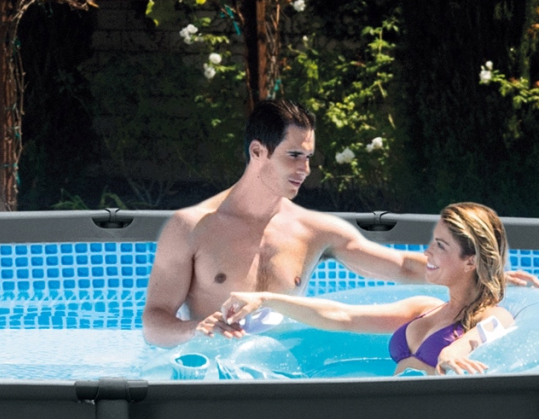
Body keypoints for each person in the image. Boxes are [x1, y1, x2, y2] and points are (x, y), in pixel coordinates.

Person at [143, 99, 473, 345]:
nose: (305, 169)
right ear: (257, 152)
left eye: (308, 157)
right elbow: (154, 322)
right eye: (294, 155)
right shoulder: (191, 228)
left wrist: (479, 273)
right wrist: (195, 329)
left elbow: (401, 266)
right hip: (215, 374)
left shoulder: (312, 230)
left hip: (281, 370)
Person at [199, 202, 515, 375]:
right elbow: (343, 316)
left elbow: (481, 336)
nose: (427, 252)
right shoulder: (424, 308)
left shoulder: (492, 317)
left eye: (441, 246)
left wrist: (452, 352)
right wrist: (265, 299)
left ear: (470, 261)